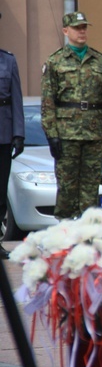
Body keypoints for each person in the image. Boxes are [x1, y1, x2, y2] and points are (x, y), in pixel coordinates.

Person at [41, 11, 102, 220]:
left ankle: (87, 234)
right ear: (66, 31)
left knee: (91, 187)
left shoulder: (101, 61)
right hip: (67, 134)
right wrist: (52, 135)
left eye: (84, 27)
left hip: (94, 133)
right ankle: (66, 231)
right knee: (66, 186)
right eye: (77, 28)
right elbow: (48, 103)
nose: (81, 31)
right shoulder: (56, 61)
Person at [0, 45, 24, 259]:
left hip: (3, 135)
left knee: (0, 193)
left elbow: (16, 97)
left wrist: (19, 134)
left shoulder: (8, 60)